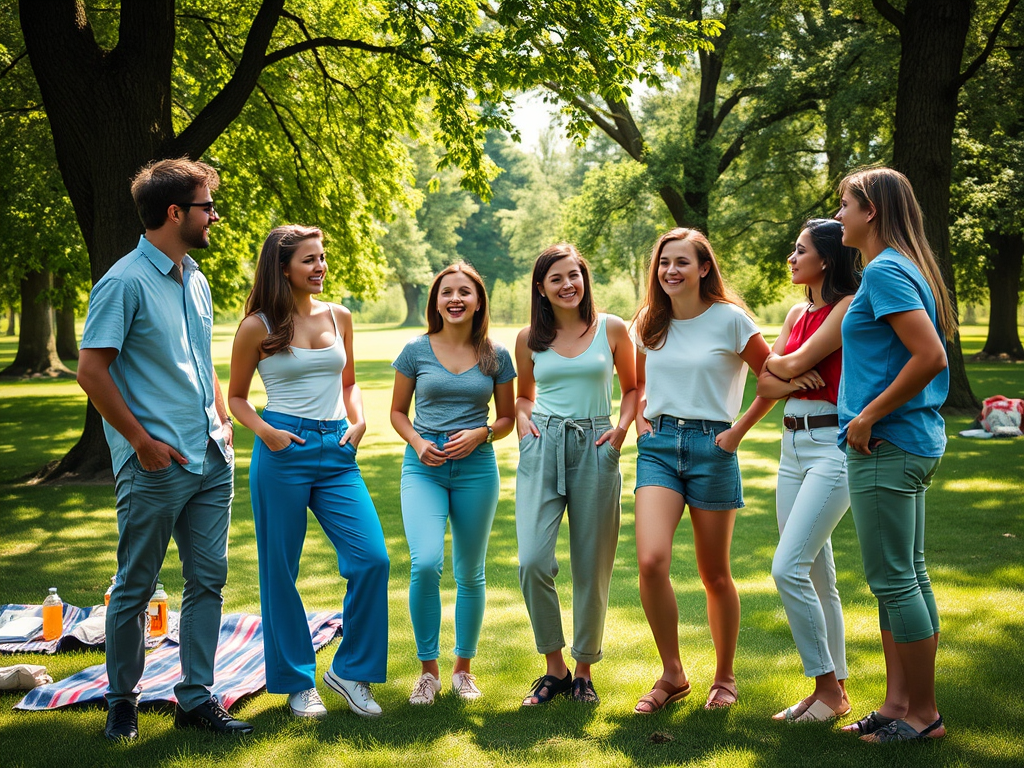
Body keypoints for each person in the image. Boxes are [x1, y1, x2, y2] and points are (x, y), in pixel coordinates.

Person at [78, 158, 252, 740]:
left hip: (210, 457)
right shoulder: (123, 281)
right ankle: (121, 700)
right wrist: (139, 442)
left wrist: (222, 422)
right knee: (136, 584)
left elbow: (198, 364)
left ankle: (196, 700)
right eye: (207, 206)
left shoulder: (195, 278)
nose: (215, 215)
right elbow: (91, 371)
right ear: (175, 212)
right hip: (155, 463)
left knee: (208, 582)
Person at [228, 225, 390, 719]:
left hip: (337, 449)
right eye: (309, 260)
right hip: (283, 448)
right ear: (282, 268)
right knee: (280, 571)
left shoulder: (340, 317)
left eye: (322, 258)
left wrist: (359, 420)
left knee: (373, 560)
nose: (320, 267)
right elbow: (236, 397)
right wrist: (265, 432)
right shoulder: (257, 325)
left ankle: (349, 672)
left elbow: (350, 382)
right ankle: (298, 681)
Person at [631, 228, 773, 714]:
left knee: (714, 574)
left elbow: (772, 378)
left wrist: (737, 433)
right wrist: (642, 416)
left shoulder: (731, 320)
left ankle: (725, 676)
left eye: (682, 262)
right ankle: (672, 674)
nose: (671, 270)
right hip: (659, 449)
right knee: (650, 562)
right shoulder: (649, 321)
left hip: (714, 446)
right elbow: (639, 381)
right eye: (664, 262)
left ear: (704, 268)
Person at [833, 167, 951, 743]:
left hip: (887, 444)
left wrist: (869, 414)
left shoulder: (884, 270)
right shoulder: (904, 266)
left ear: (871, 210)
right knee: (907, 577)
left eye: (845, 205)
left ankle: (923, 715)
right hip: (909, 443)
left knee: (895, 579)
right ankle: (898, 702)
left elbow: (929, 357)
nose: (839, 216)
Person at [515, 244, 637, 706]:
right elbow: (523, 398)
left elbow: (633, 388)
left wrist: (622, 429)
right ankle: (554, 668)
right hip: (543, 446)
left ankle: (583, 670)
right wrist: (525, 424)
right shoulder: (529, 338)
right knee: (532, 560)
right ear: (541, 290)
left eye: (574, 275)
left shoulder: (612, 329)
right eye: (556, 279)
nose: (568, 285)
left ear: (584, 278)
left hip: (596, 445)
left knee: (592, 565)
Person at [390, 262, 516, 705]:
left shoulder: (496, 355)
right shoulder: (415, 350)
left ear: (479, 300)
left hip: (477, 469)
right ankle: (428, 671)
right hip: (423, 466)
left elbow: (507, 418)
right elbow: (397, 413)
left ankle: (463, 670)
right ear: (436, 300)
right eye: (447, 292)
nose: (456, 299)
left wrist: (483, 433)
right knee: (425, 563)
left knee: (470, 573)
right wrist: (418, 442)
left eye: (465, 292)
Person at [755, 220, 861, 722]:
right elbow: (765, 379)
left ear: (828, 259)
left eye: (801, 251)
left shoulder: (845, 306)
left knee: (787, 567)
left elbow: (788, 361)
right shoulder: (799, 310)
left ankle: (827, 688)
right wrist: (787, 373)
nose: (792, 259)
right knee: (819, 576)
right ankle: (831, 690)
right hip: (791, 446)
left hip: (830, 447)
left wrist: (787, 369)